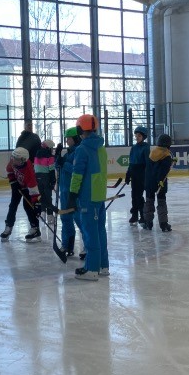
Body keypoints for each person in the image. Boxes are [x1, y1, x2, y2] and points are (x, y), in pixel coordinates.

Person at [68, 114, 109, 280]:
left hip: (88, 196)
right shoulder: (101, 147)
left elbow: (77, 174)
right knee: (100, 231)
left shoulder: (82, 149)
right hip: (99, 195)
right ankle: (103, 265)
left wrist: (72, 194)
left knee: (90, 232)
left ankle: (92, 269)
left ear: (79, 130)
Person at [1, 147, 41, 241]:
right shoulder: (12, 161)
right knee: (13, 205)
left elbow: (33, 189)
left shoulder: (29, 170)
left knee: (28, 207)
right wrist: (13, 182)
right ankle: (8, 226)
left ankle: (35, 228)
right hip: (17, 186)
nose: (13, 159)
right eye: (13, 157)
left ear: (23, 160)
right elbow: (9, 171)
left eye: (16, 158)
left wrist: (36, 203)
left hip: (28, 188)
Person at [56, 126, 82, 256]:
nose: (67, 141)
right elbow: (59, 167)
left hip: (74, 191)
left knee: (79, 218)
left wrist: (63, 163)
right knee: (65, 218)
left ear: (76, 139)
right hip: (64, 190)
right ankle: (67, 245)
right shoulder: (68, 153)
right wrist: (57, 157)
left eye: (69, 138)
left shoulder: (79, 152)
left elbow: (76, 170)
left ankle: (88, 246)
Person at [142, 134, 174, 232]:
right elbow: (163, 171)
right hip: (161, 182)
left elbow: (149, 169)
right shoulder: (166, 155)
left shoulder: (152, 152)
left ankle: (148, 222)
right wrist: (160, 181)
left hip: (149, 182)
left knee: (149, 201)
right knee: (161, 202)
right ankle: (163, 224)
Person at [126, 126, 150, 225]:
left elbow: (148, 163)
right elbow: (131, 162)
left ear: (143, 137)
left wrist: (147, 175)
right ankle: (134, 215)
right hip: (134, 174)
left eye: (139, 136)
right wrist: (128, 174)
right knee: (134, 195)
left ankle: (143, 215)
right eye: (136, 135)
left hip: (141, 175)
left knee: (139, 196)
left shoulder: (146, 148)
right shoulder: (134, 147)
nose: (137, 137)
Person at [34, 139, 57, 216]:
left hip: (37, 177)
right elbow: (51, 170)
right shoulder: (50, 157)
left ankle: (43, 211)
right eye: (52, 148)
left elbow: (35, 168)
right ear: (48, 148)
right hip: (46, 177)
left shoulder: (36, 155)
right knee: (48, 196)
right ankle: (50, 214)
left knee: (42, 195)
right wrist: (53, 181)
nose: (53, 150)